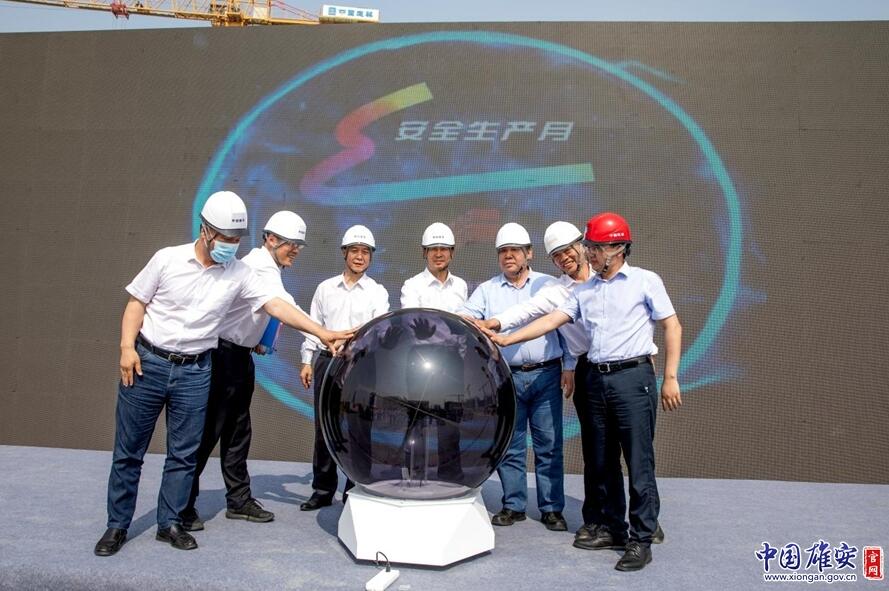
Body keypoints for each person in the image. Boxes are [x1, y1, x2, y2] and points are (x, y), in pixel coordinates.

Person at [94, 191, 353, 557]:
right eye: (225, 237)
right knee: (130, 452)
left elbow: (276, 305)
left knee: (184, 454)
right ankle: (117, 525)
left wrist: (321, 332)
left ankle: (171, 521)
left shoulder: (240, 273)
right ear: (205, 230)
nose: (231, 245)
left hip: (196, 369)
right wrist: (126, 347)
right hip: (150, 362)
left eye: (236, 239)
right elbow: (137, 302)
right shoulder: (168, 259)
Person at [489, 212, 682, 572]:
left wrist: (670, 376)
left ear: (618, 248)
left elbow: (672, 325)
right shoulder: (582, 291)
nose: (588, 254)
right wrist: (505, 336)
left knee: (638, 460)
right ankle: (612, 528)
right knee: (601, 459)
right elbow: (547, 318)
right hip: (594, 376)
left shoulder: (644, 281)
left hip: (632, 376)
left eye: (594, 247)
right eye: (589, 247)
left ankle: (642, 537)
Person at [181, 211, 309, 531]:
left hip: (239, 357)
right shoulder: (257, 266)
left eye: (299, 245)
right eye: (290, 243)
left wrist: (262, 339)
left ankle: (238, 499)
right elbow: (283, 305)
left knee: (238, 431)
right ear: (270, 239)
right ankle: (181, 505)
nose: (295, 249)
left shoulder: (269, 268)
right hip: (221, 356)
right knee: (207, 432)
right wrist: (325, 334)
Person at [460, 222, 567, 532]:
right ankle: (514, 504)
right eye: (503, 251)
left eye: (515, 251)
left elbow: (566, 329)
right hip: (506, 378)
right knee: (511, 444)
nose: (508, 256)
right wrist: (470, 320)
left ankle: (551, 508)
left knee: (549, 445)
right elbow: (466, 317)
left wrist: (570, 366)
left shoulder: (549, 285)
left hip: (547, 374)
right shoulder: (487, 290)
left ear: (529, 253)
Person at [299, 225, 390, 510]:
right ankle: (322, 489)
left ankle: (355, 487)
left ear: (371, 256)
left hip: (362, 365)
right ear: (344, 253)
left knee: (360, 427)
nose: (359, 257)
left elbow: (379, 331)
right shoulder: (325, 288)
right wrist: (306, 361)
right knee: (324, 427)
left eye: (365, 252)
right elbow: (314, 326)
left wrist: (351, 343)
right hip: (328, 361)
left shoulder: (377, 292)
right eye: (354, 251)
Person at [400, 222, 467, 313]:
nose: (438, 254)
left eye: (443, 249)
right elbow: (411, 319)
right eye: (433, 249)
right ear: (424, 252)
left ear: (452, 252)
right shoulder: (412, 286)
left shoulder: (460, 285)